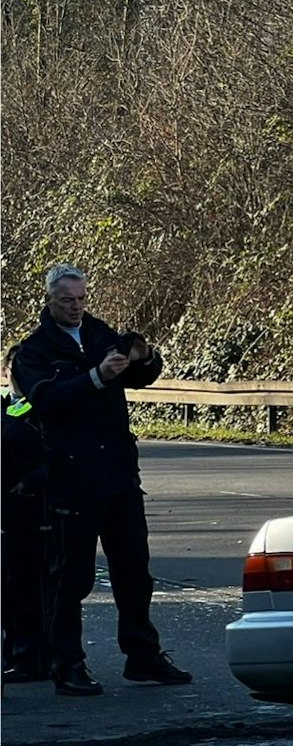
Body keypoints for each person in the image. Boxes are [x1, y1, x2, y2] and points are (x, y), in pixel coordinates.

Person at [10, 263, 192, 695]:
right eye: (66, 301)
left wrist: (145, 357)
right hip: (71, 477)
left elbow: (140, 377)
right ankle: (67, 664)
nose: (75, 307)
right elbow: (46, 400)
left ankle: (143, 655)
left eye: (80, 299)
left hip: (118, 474)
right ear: (50, 300)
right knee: (69, 578)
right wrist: (96, 377)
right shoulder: (34, 351)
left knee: (134, 572)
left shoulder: (98, 333)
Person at [2, 346, 51, 683]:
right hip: (10, 510)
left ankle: (35, 656)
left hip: (38, 507)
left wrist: (31, 483)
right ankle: (16, 653)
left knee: (34, 586)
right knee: (10, 587)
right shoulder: (6, 407)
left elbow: (63, 456)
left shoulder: (45, 409)